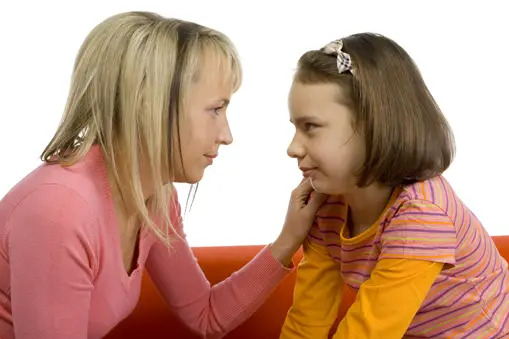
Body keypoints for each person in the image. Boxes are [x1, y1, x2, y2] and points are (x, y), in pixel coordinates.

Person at [0, 11, 327, 339]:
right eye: (215, 109)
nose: (226, 135)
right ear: (150, 105)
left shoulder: (155, 195)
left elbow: (206, 315)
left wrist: (288, 239)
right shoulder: (60, 211)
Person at [280, 33, 509, 338]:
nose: (293, 148)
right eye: (295, 127)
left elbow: (367, 332)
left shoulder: (421, 213)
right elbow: (307, 320)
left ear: (373, 126)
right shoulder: (329, 202)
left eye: (311, 127)